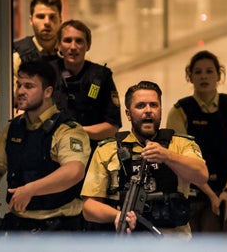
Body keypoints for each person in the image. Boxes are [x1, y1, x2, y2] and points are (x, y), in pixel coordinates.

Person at [81, 81, 208, 238]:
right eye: (140, 106)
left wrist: (168, 156)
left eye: (153, 105)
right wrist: (117, 215)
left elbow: (201, 175)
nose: (148, 111)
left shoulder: (181, 144)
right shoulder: (107, 150)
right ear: (128, 114)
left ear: (161, 110)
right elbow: (88, 207)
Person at [0, 58, 91, 234]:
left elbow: (74, 171)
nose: (21, 91)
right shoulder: (13, 128)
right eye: (19, 85)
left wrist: (31, 190)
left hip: (59, 228)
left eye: (29, 86)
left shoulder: (67, 129)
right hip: (18, 226)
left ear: (47, 92)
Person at [166, 50, 227, 236]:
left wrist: (226, 191)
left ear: (219, 75)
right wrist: (210, 194)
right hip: (191, 196)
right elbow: (177, 159)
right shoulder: (180, 111)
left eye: (209, 71)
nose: (204, 76)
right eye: (198, 72)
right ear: (190, 76)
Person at [52, 20, 121, 151]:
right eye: (67, 40)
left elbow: (113, 127)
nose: (73, 46)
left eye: (79, 41)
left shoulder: (100, 77)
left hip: (92, 151)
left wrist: (78, 131)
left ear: (88, 45)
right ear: (59, 45)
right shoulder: (47, 75)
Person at [12, 0, 63, 76]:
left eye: (52, 17)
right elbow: (4, 89)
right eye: (41, 16)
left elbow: (92, 85)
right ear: (31, 20)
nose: (47, 22)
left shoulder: (74, 53)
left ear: (60, 19)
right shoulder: (17, 58)